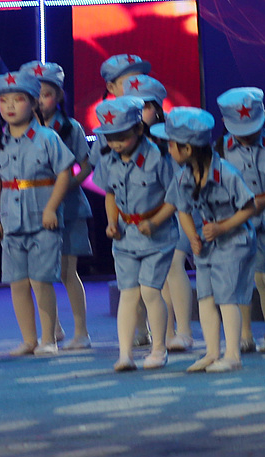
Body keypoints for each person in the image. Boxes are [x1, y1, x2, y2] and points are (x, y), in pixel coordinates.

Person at [161, 108, 259, 373]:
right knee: (205, 296)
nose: (169, 149)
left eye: (172, 144)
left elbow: (249, 207)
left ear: (188, 149)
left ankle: (232, 354)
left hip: (234, 240)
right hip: (206, 245)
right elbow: (182, 208)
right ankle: (212, 352)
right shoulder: (183, 176)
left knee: (227, 297)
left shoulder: (226, 173)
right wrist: (192, 236)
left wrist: (222, 227)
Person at [0, 71, 75, 356]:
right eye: (4, 100)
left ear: (34, 103)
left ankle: (49, 339)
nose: (10, 106)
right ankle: (28, 339)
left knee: (41, 281)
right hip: (11, 222)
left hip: (42, 222)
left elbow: (64, 174)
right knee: (18, 282)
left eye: (18, 99)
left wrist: (52, 208)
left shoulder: (47, 138)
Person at [92, 96, 180, 371]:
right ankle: (125, 354)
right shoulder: (108, 159)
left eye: (122, 136)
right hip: (125, 237)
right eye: (110, 138)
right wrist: (112, 222)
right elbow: (110, 194)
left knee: (151, 291)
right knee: (128, 293)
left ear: (139, 129)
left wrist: (155, 222)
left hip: (158, 237)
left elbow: (175, 197)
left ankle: (159, 348)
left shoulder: (158, 157)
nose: (116, 143)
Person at [217, 87, 265, 354]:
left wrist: (264, 200)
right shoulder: (221, 149)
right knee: (241, 279)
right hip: (236, 223)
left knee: (263, 277)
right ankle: (245, 335)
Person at [120, 73, 194, 351]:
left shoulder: (172, 136)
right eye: (133, 106)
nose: (140, 113)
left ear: (159, 109)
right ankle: (164, 332)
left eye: (146, 106)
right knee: (153, 278)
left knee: (174, 264)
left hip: (179, 211)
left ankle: (184, 331)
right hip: (141, 217)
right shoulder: (120, 140)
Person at [23, 61, 92, 350]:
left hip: (69, 209)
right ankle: (54, 329)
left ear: (59, 96)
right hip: (34, 210)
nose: (40, 100)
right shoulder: (22, 131)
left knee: (66, 271)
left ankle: (81, 332)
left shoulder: (71, 127)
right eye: (35, 94)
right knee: (37, 274)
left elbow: (86, 166)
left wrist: (66, 186)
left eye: (47, 94)